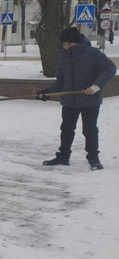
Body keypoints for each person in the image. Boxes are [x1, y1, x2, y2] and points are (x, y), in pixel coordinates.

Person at [37, 27, 116, 171]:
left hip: (89, 99)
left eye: (66, 43)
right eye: (64, 44)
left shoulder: (92, 53)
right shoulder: (63, 56)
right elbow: (61, 81)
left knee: (89, 129)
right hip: (69, 100)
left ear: (74, 42)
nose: (64, 46)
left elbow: (110, 69)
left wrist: (96, 86)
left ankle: (93, 158)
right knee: (66, 128)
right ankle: (63, 156)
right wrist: (47, 92)